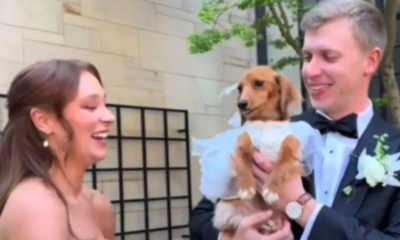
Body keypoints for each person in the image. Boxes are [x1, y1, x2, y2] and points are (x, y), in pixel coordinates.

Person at [189, 0, 400, 239]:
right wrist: (231, 237)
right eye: (308, 56)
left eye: (328, 57)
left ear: (370, 61)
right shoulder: (265, 132)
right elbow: (201, 217)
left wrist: (301, 206)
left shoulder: (396, 148)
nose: (310, 71)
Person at [0, 59, 116, 240]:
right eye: (91, 106)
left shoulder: (99, 206)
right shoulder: (35, 209)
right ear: (44, 121)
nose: (110, 117)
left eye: (105, 104)